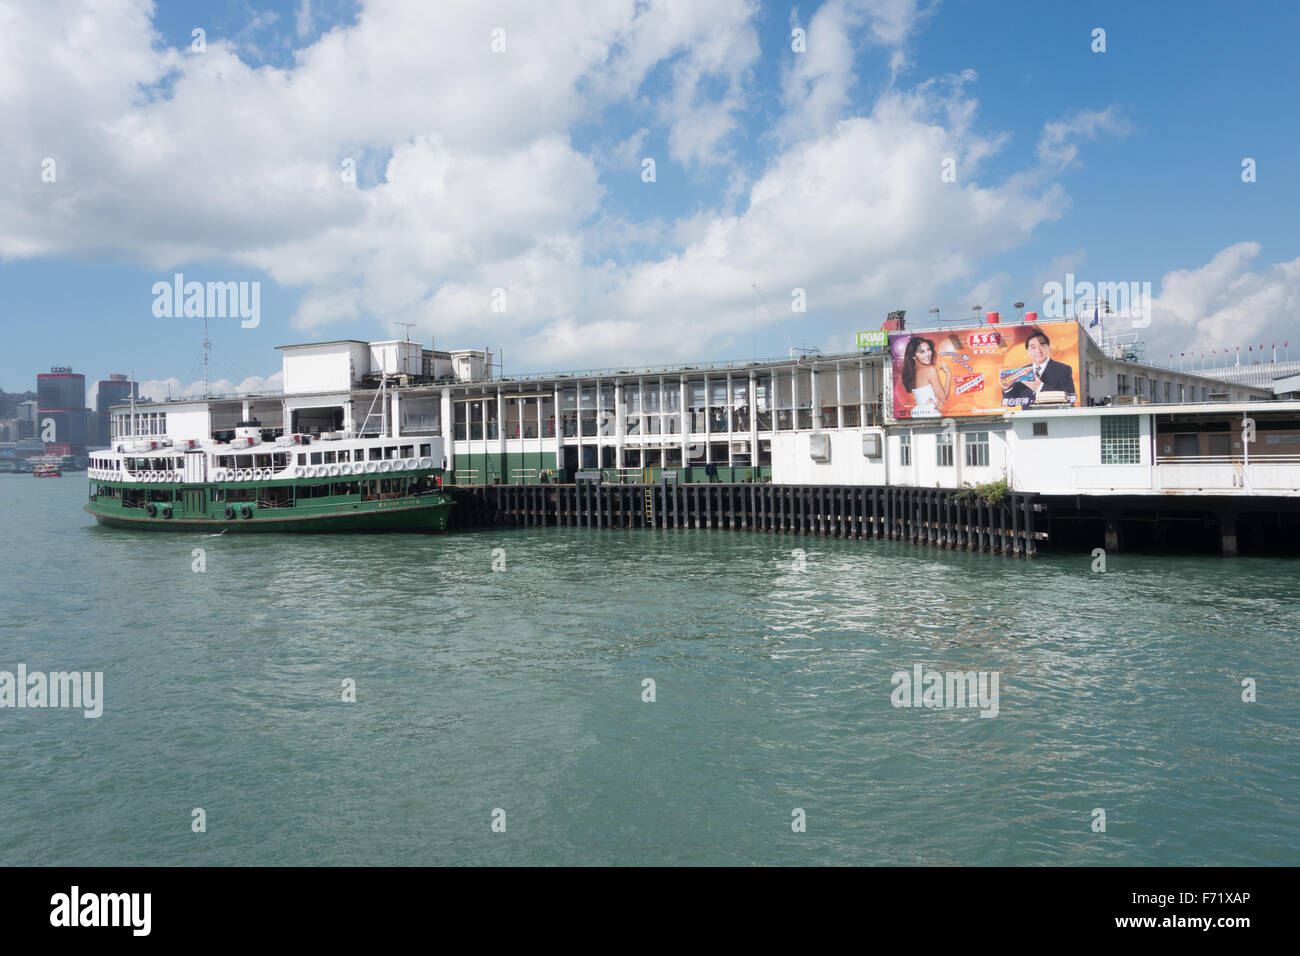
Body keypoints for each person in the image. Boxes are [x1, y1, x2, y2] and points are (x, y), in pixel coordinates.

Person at [1001, 330, 1076, 407]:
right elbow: (1011, 402)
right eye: (1033, 347)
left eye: (1042, 345)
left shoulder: (1063, 369)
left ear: (1049, 347)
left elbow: (1071, 399)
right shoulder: (1022, 372)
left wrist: (1040, 387)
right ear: (1028, 351)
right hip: (1027, 417)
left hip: (1053, 416)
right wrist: (1007, 388)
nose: (1038, 350)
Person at [900, 337, 949, 417]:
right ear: (913, 356)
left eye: (928, 350)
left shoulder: (911, 372)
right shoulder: (930, 371)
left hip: (918, 413)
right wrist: (948, 374)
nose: (928, 354)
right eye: (922, 352)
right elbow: (943, 398)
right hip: (930, 413)